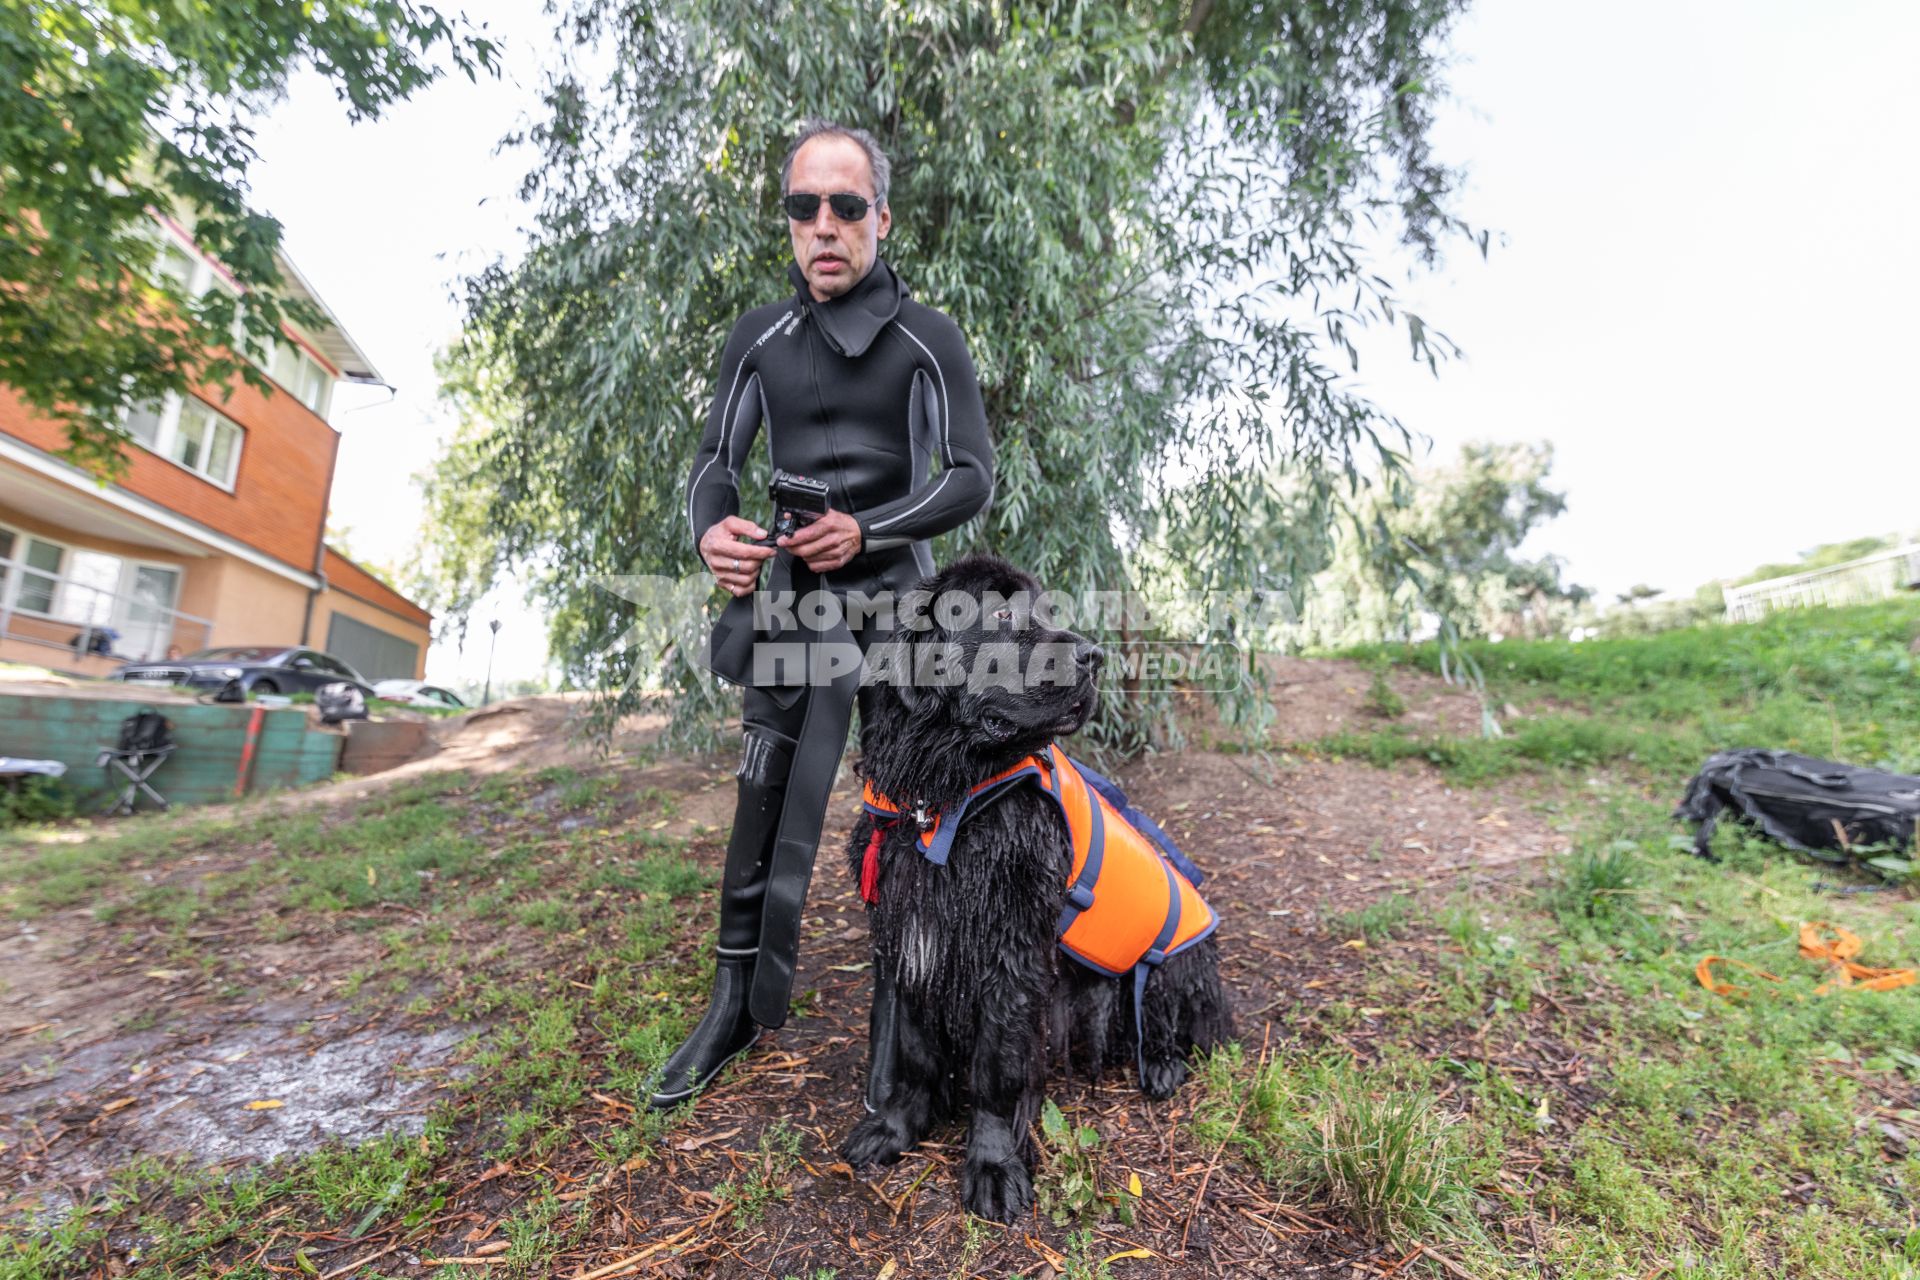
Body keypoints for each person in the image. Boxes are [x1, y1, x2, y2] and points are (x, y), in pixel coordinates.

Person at [652, 121, 995, 1109]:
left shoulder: (927, 338)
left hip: (897, 608)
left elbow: (972, 475)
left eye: (847, 205)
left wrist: (870, 528)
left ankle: (909, 1025)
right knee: (759, 801)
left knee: (911, 815)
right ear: (789, 221)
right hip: (791, 603)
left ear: (881, 218)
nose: (825, 225)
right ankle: (735, 1004)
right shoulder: (757, 337)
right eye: (805, 206)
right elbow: (715, 461)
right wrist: (713, 527)